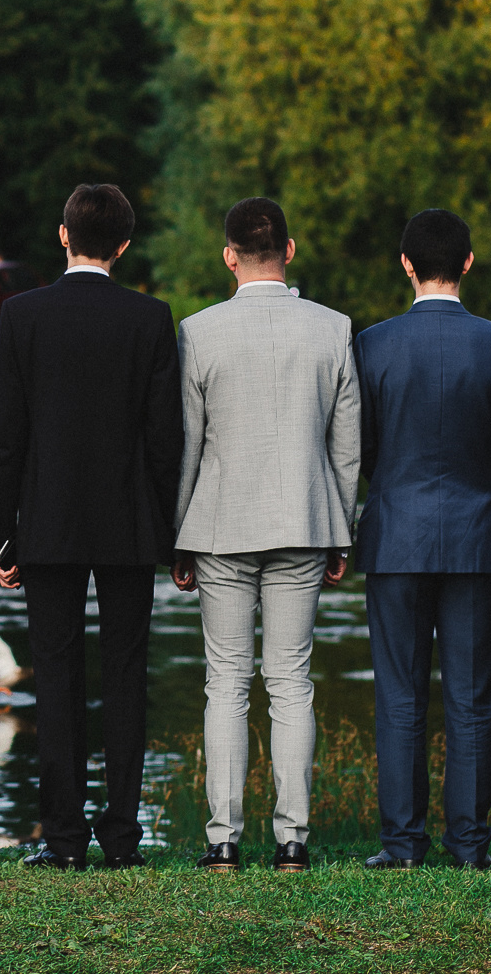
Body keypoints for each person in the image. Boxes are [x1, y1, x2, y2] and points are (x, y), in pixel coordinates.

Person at [0, 184, 182, 871]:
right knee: (127, 674)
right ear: (123, 245)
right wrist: (172, 533)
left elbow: (5, 437)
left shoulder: (22, 314)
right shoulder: (151, 318)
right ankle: (122, 837)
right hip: (130, 524)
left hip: (47, 521)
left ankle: (64, 838)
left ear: (62, 236)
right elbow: (165, 439)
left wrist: (2, 533)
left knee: (59, 675)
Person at [172, 197, 359, 874]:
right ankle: (292, 840)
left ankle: (223, 839)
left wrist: (178, 535)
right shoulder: (333, 328)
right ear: (291, 248)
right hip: (305, 520)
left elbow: (188, 445)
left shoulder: (198, 331)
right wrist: (341, 528)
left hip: (220, 525)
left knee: (225, 682)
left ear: (229, 255)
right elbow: (347, 446)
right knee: (292, 681)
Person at [353, 210, 491, 871]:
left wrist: (395, 482)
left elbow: (363, 445)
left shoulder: (372, 343)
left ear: (405, 263)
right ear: (470, 262)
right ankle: (470, 844)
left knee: (400, 697)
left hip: (396, 532)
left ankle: (401, 844)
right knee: (473, 698)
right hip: (476, 533)